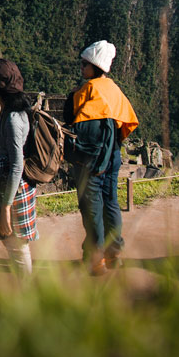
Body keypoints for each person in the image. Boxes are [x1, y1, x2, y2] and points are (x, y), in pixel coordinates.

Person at [63, 40, 138, 274]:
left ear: (94, 66)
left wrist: (72, 95)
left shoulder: (87, 91)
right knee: (111, 203)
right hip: (113, 154)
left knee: (92, 207)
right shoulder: (113, 89)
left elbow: (71, 118)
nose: (82, 68)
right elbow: (127, 122)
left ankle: (95, 261)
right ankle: (114, 253)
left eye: (84, 64)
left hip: (92, 159)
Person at [0, 58, 37, 276]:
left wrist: (6, 207)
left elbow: (17, 165)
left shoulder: (14, 118)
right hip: (7, 185)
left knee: (17, 245)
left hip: (13, 188)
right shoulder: (7, 111)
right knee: (12, 244)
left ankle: (26, 296)